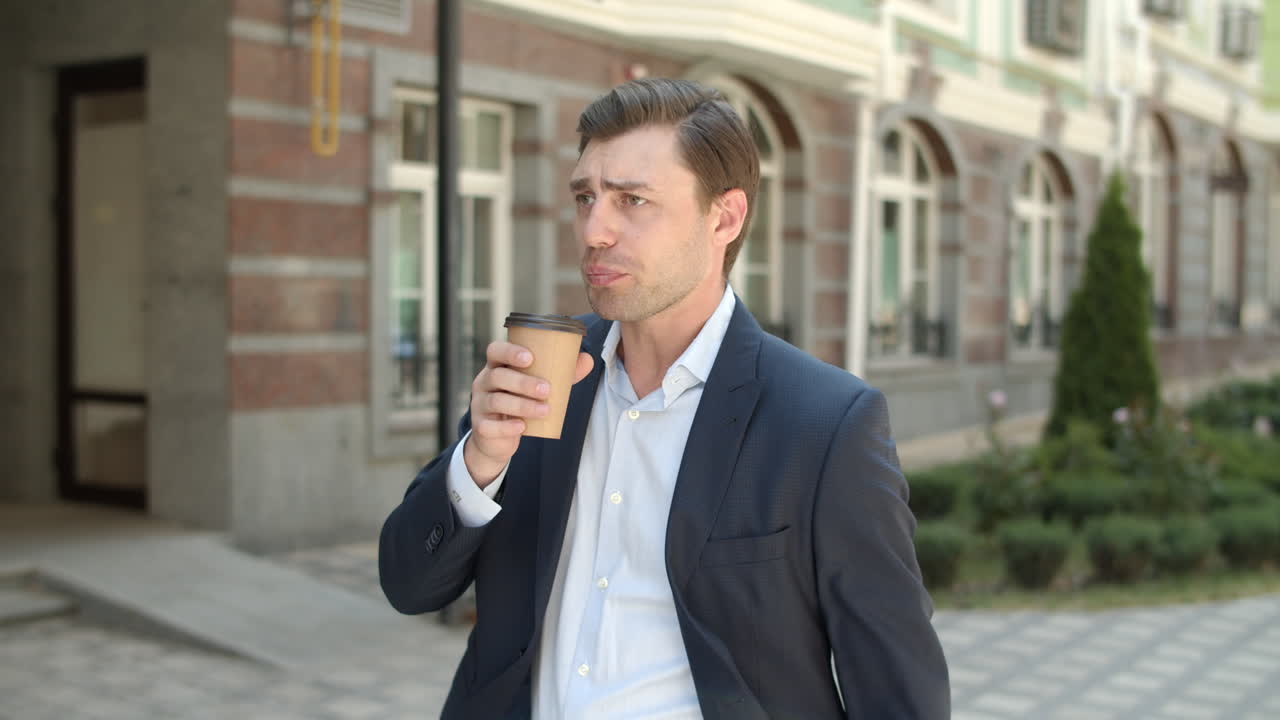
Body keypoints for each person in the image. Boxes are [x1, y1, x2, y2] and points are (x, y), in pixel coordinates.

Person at [379, 78, 950, 719]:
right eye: (585, 197)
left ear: (724, 218)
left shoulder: (824, 423)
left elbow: (901, 695)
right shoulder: (545, 375)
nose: (594, 230)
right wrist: (478, 462)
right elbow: (407, 584)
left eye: (633, 201)